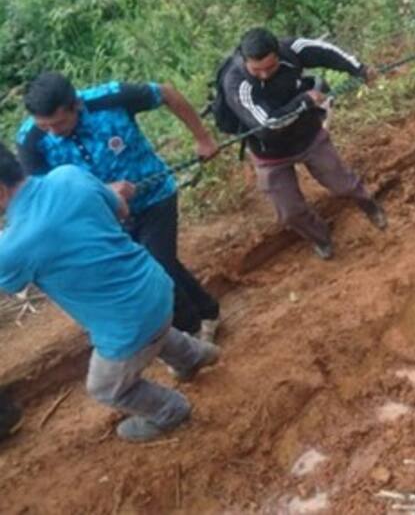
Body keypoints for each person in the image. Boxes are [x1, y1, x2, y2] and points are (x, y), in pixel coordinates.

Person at [0, 147, 219, 442]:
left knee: (104, 388)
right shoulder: (69, 174)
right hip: (155, 283)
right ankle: (194, 356)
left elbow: (12, 285)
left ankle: (171, 411)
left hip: (129, 323)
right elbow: (122, 210)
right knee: (152, 329)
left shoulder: (11, 248)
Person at [17, 73, 222, 342]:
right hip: (105, 218)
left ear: (75, 105)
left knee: (156, 266)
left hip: (154, 196)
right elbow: (45, 195)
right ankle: (208, 312)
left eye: (59, 123)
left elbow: (167, 93)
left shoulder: (111, 98)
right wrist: (100, 192)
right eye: (45, 127)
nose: (53, 132)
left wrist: (203, 138)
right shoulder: (30, 141)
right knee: (154, 263)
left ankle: (190, 331)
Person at [221, 28, 386, 260]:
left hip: (308, 136)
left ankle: (370, 206)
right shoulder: (237, 84)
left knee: (344, 184)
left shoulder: (292, 50)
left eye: (270, 67)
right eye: (257, 70)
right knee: (289, 212)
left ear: (278, 53)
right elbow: (268, 126)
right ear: (245, 59)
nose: (265, 75)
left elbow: (327, 52)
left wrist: (359, 69)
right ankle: (321, 238)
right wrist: (304, 100)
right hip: (270, 154)